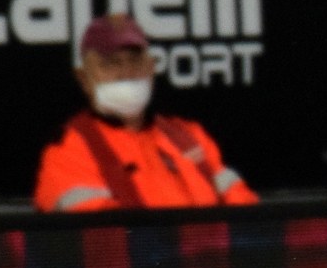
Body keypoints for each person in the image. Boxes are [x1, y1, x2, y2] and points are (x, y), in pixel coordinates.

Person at [34, 13, 257, 211]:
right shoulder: (68, 150)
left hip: (207, 247)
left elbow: (246, 212)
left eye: (134, 61)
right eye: (110, 64)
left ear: (151, 67)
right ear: (84, 78)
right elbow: (101, 236)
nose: (126, 73)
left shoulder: (189, 135)